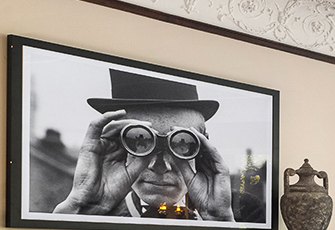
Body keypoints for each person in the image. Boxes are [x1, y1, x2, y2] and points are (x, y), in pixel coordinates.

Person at [54, 69, 238, 221]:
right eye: (140, 141)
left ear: (203, 148)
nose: (159, 166)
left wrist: (219, 221)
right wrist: (84, 211)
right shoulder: (93, 213)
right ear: (117, 145)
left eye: (182, 144)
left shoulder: (244, 211)